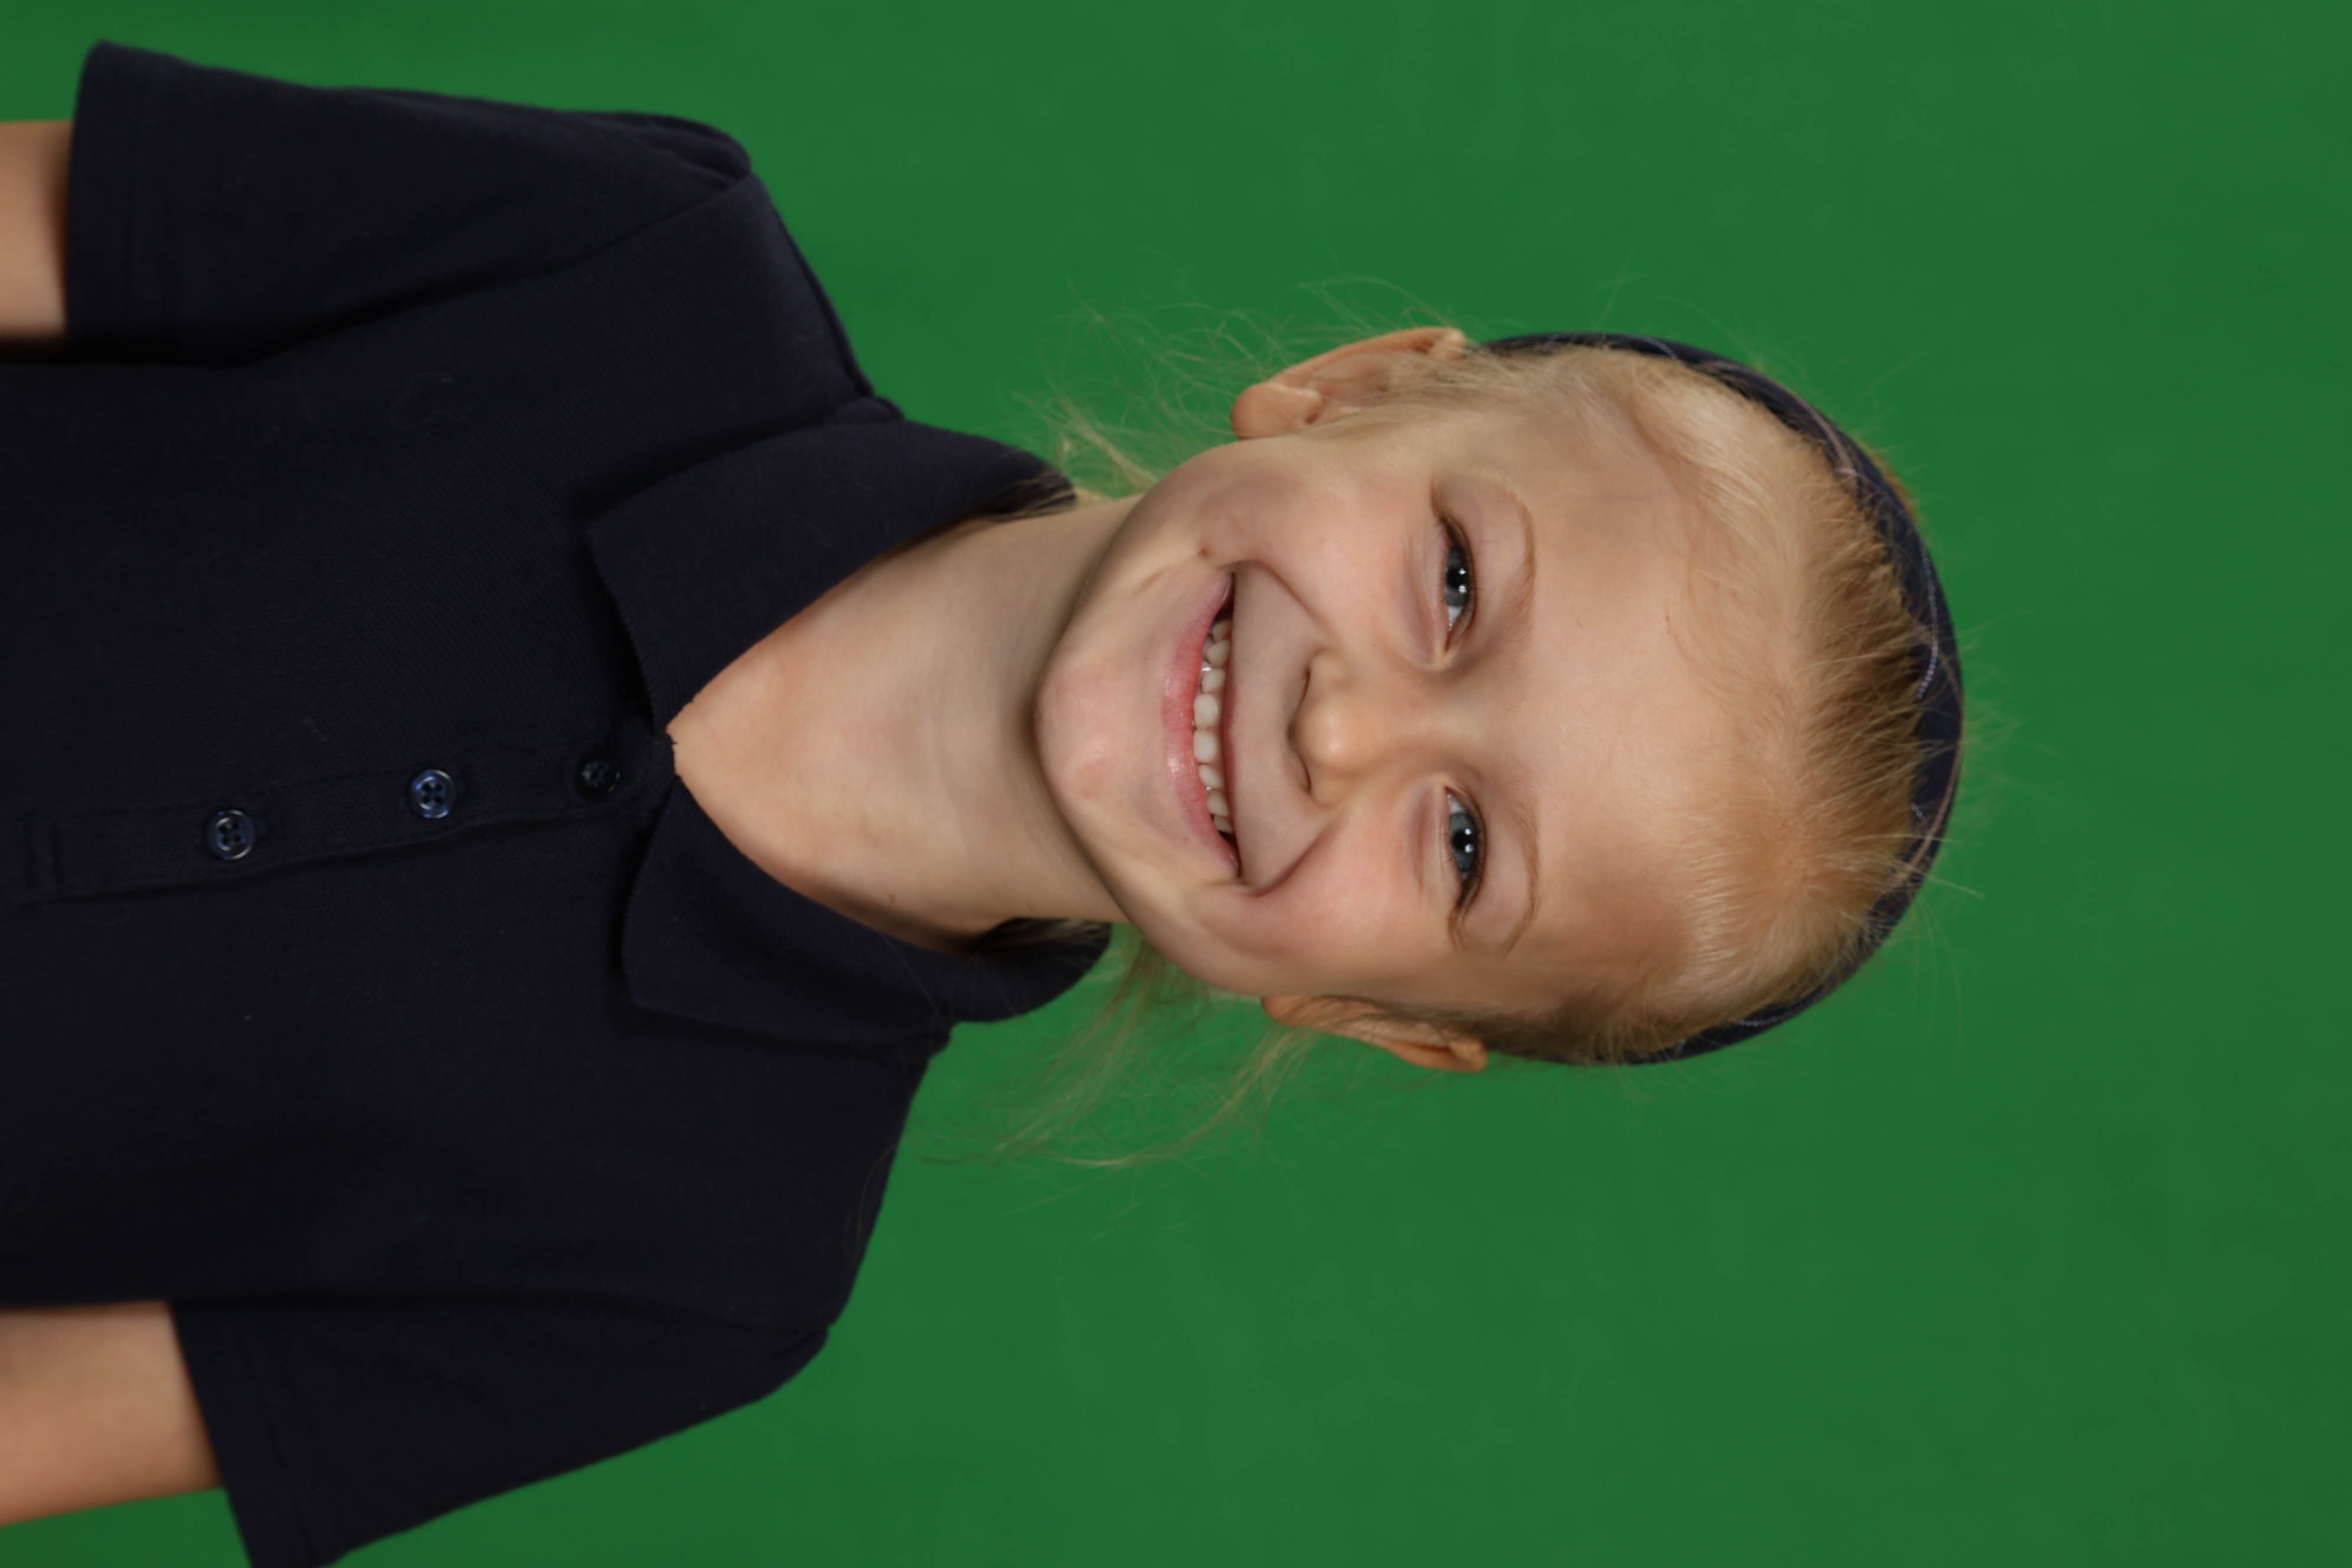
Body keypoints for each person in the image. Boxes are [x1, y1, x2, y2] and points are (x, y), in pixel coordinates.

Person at [0, 41, 1961, 1568]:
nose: (1345, 731)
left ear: (1367, 1014)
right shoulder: (629, 256)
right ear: (1356, 388)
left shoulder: (702, 1283)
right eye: (1455, 584)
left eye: (1463, 845)